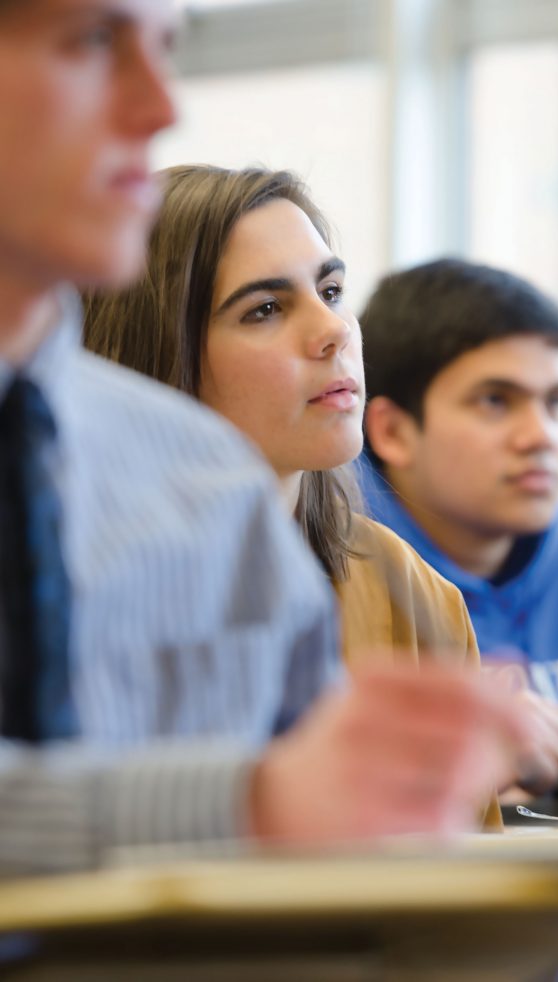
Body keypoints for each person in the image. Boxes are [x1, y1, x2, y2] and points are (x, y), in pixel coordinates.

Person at [0, 0, 526, 878]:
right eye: (92, 41)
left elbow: (356, 885)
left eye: (332, 291)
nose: (162, 105)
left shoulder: (214, 492)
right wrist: (246, 804)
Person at [83, 163, 505, 828]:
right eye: (266, 309)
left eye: (331, 290)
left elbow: (464, 869)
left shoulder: (406, 585)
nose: (332, 329)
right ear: (158, 357)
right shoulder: (75, 593)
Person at [359, 257, 558, 793]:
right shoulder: (339, 569)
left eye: (556, 401)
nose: (541, 436)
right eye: (495, 401)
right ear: (393, 431)